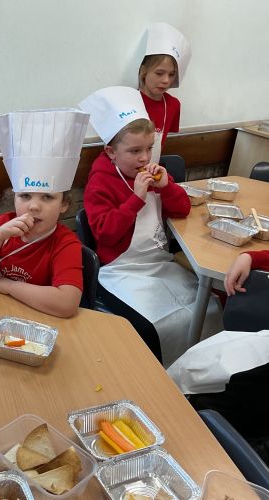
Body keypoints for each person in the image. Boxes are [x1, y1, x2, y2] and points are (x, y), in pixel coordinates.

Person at [79, 86, 223, 366]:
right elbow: (105, 234)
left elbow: (181, 210)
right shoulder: (99, 184)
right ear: (111, 152)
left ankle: (195, 371)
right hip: (120, 270)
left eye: (149, 148)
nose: (145, 158)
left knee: (208, 305)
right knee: (153, 325)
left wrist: (167, 187)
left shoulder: (150, 172)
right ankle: (158, 374)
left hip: (158, 263)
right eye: (134, 151)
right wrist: (135, 199)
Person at [0, 109, 89, 318]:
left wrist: (8, 286)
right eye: (25, 196)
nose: (34, 206)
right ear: (14, 198)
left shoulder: (65, 243)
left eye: (47, 197)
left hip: (38, 320)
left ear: (64, 204)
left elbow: (67, 304)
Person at [138, 23, 191, 164]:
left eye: (171, 74)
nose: (166, 80)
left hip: (152, 169)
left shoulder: (173, 105)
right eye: (159, 73)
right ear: (143, 71)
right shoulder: (129, 100)